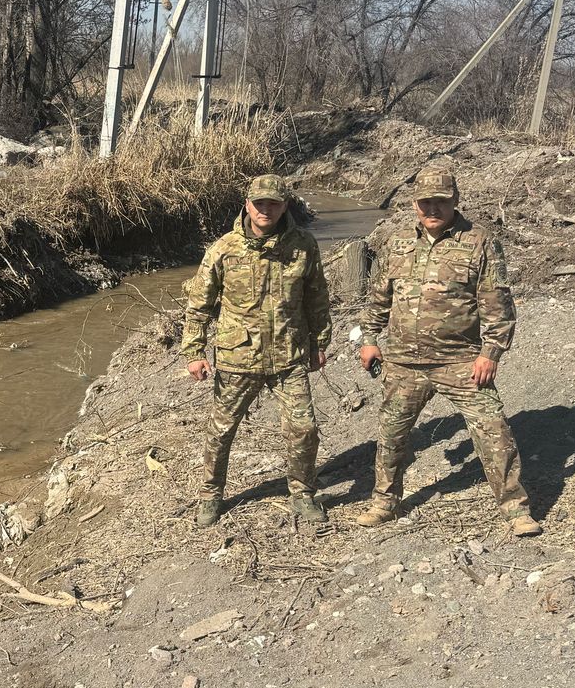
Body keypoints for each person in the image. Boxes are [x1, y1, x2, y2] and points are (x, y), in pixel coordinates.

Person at [356, 164, 541, 536]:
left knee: (493, 430)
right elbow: (378, 298)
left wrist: (491, 352)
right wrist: (369, 340)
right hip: (403, 361)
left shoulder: (479, 241)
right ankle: (384, 502)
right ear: (414, 203)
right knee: (392, 433)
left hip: (461, 360)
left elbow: (498, 304)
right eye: (425, 202)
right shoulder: (397, 243)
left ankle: (516, 509)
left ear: (455, 200)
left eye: (441, 202)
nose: (433, 209)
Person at [181, 174, 333, 529]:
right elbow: (199, 305)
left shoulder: (303, 245)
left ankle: (303, 494)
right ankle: (210, 496)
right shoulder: (223, 249)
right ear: (247, 204)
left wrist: (319, 344)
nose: (266, 210)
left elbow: (317, 298)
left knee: (304, 428)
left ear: (285, 206)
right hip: (238, 358)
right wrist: (194, 351)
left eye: (274, 204)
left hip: (289, 354)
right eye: (260, 203)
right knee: (221, 431)